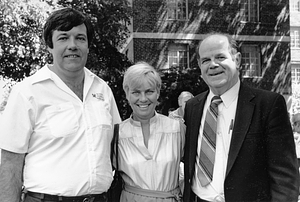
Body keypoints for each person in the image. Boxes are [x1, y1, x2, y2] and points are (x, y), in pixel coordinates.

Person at [0, 7, 121, 202]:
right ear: (50, 46)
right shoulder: (27, 92)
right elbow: (9, 163)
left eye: (80, 38)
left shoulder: (103, 90)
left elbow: (116, 147)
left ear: (88, 45)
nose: (72, 45)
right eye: (63, 38)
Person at [183, 32, 299, 202]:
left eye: (220, 57)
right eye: (206, 60)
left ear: (237, 60)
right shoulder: (193, 106)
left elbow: (285, 178)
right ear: (200, 65)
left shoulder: (268, 105)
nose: (213, 65)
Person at [116, 61, 185, 201]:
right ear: (127, 93)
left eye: (149, 91)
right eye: (136, 92)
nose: (143, 99)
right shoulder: (117, 134)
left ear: (158, 92)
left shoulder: (177, 128)